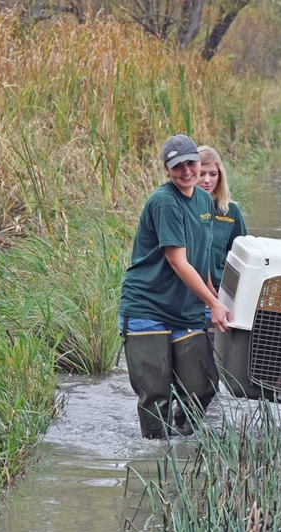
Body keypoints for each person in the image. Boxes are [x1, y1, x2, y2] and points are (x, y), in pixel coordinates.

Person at [118, 133, 232, 439]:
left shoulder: (206, 201)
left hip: (186, 310)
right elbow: (178, 262)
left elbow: (202, 260)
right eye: (177, 166)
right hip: (147, 307)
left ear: (200, 161)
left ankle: (181, 446)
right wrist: (212, 303)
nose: (186, 171)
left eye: (190, 163)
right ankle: (157, 459)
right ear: (167, 170)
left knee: (203, 387)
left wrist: (215, 303)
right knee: (155, 396)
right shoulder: (164, 201)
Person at [197, 145, 247, 305]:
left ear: (220, 176)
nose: (207, 180)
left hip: (219, 294)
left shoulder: (231, 211)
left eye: (213, 174)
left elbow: (241, 257)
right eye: (201, 174)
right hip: (186, 292)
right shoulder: (182, 208)